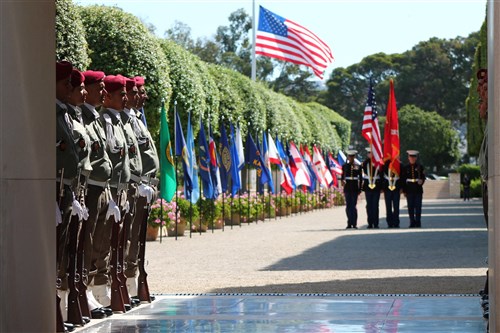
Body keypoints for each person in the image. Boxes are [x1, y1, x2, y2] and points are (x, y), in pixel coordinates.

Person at [124, 76, 159, 303]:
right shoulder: (120, 121)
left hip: (142, 186)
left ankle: (132, 281)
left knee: (135, 238)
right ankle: (122, 284)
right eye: (138, 92)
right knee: (124, 238)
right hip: (131, 186)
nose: (143, 96)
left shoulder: (136, 119)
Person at [401, 150, 425, 228]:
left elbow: (423, 176)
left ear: (416, 158)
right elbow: (403, 179)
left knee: (418, 207)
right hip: (409, 189)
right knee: (410, 207)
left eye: (414, 157)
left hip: (418, 189)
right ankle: (412, 222)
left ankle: (418, 222)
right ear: (408, 158)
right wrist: (404, 190)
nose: (412, 159)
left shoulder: (420, 166)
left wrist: (422, 181)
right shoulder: (405, 167)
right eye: (411, 157)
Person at [341, 150, 362, 229]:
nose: (350, 158)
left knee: (353, 206)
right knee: (348, 206)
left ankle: (354, 223)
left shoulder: (358, 166)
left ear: (354, 157)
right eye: (349, 156)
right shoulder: (344, 166)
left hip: (354, 187)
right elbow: (343, 176)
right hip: (347, 188)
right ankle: (349, 222)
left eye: (352, 156)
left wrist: (360, 189)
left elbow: (361, 178)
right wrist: (342, 181)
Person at [361, 148, 382, 228]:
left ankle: (376, 223)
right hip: (368, 186)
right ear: (367, 154)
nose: (371, 154)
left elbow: (381, 175)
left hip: (376, 186)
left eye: (372, 153)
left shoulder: (378, 163)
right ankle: (370, 223)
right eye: (369, 153)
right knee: (369, 205)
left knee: (375, 205)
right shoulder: (364, 163)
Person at [382, 159, 402, 228]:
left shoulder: (399, 164)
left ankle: (396, 222)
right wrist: (382, 187)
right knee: (388, 206)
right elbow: (382, 175)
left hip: (396, 187)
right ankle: (389, 222)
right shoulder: (385, 164)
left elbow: (402, 176)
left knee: (396, 206)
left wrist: (401, 188)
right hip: (387, 187)